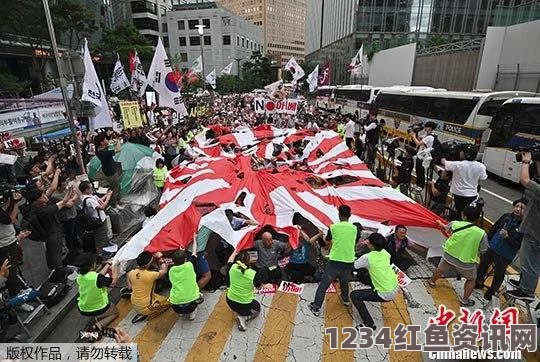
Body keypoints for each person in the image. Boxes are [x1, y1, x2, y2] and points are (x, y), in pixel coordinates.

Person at [429, 206, 488, 306]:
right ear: (477, 218)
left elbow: (445, 228)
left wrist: (439, 222)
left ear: (463, 216)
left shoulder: (455, 223)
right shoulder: (481, 233)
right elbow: (483, 250)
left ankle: (432, 281)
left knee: (440, 269)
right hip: (466, 261)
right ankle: (464, 300)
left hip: (449, 254)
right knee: (471, 279)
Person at [310, 205, 357, 316]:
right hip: (349, 260)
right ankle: (345, 299)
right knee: (344, 281)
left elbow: (327, 241)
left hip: (335, 261)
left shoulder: (333, 227)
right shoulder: (355, 228)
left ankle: (316, 307)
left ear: (339, 215)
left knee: (324, 284)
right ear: (349, 215)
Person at [476, 198, 527, 300]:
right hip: (492, 246)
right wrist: (487, 242)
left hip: (505, 254)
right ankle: (478, 282)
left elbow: (519, 245)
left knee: (499, 273)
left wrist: (507, 238)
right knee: (483, 265)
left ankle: (492, 291)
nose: (518, 209)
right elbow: (494, 228)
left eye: (522, 208)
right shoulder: (506, 216)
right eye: (516, 206)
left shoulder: (524, 226)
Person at [507, 152, 540, 302]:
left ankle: (527, 290)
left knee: (529, 263)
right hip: (534, 231)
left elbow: (524, 180)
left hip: (535, 233)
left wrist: (526, 162)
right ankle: (523, 283)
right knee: (528, 261)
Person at [351, 233, 399, 329]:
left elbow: (354, 265)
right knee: (370, 275)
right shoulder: (386, 253)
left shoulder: (367, 257)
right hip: (394, 286)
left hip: (385, 293)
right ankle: (373, 289)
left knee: (354, 295)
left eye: (368, 240)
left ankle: (369, 324)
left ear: (371, 245)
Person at [25, 186, 77, 271]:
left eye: (44, 194)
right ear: (35, 201)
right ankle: (58, 273)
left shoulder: (39, 206)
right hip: (52, 235)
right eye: (41, 196)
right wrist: (67, 197)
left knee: (52, 253)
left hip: (51, 233)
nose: (45, 197)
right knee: (55, 255)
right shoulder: (43, 211)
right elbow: (59, 205)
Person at [0, 188, 33, 312]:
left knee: (15, 270)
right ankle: (17, 302)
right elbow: (11, 219)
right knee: (11, 275)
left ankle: (20, 291)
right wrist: (12, 203)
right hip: (4, 247)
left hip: (9, 243)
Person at [441, 144, 487, 216]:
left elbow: (444, 162)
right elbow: (483, 177)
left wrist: (443, 154)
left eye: (462, 151)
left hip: (459, 195)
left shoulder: (458, 165)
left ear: (466, 154)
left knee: (460, 213)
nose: (460, 152)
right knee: (467, 214)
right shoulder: (481, 166)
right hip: (473, 195)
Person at [76, 253, 119, 330]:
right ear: (92, 265)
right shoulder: (96, 278)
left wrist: (109, 264)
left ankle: (98, 316)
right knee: (115, 312)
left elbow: (98, 275)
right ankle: (98, 325)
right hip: (99, 307)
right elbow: (113, 281)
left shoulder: (80, 276)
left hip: (83, 308)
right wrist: (115, 266)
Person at [127, 251, 170, 323]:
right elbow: (164, 271)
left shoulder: (132, 272)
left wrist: (133, 284)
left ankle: (146, 311)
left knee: (160, 297)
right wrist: (161, 258)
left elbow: (129, 282)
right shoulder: (150, 275)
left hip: (134, 302)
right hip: (146, 306)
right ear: (149, 263)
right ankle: (148, 314)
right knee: (170, 302)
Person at [226, 250, 262, 331]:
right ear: (248, 261)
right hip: (245, 304)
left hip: (230, 301)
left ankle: (241, 314)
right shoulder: (253, 274)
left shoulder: (232, 267)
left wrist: (234, 252)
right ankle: (244, 317)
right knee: (257, 309)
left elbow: (230, 260)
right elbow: (259, 287)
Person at [79, 181, 113, 257]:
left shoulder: (89, 197)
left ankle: (105, 250)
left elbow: (98, 201)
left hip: (101, 219)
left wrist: (106, 195)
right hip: (98, 221)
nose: (92, 189)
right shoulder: (88, 200)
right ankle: (101, 255)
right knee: (100, 238)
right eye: (91, 188)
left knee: (103, 235)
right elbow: (102, 207)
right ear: (86, 190)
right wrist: (108, 197)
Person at [168, 250, 201, 321]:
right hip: (191, 305)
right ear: (185, 259)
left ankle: (181, 313)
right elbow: (193, 254)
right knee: (198, 295)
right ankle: (192, 313)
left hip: (176, 307)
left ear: (173, 261)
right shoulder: (189, 265)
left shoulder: (171, 270)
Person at [95, 133, 122, 209]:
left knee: (115, 187)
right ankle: (114, 205)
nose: (107, 140)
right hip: (111, 173)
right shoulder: (103, 153)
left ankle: (117, 202)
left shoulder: (100, 150)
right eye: (105, 139)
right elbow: (118, 149)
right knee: (114, 189)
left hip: (109, 171)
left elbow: (109, 144)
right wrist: (118, 140)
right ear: (101, 143)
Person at [409, 121, 437, 190]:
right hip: (421, 155)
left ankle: (420, 186)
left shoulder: (430, 137)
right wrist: (415, 132)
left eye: (426, 127)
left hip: (424, 156)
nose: (425, 128)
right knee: (418, 170)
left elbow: (418, 143)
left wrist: (413, 136)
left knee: (421, 171)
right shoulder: (426, 135)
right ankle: (417, 184)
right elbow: (419, 139)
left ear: (430, 128)